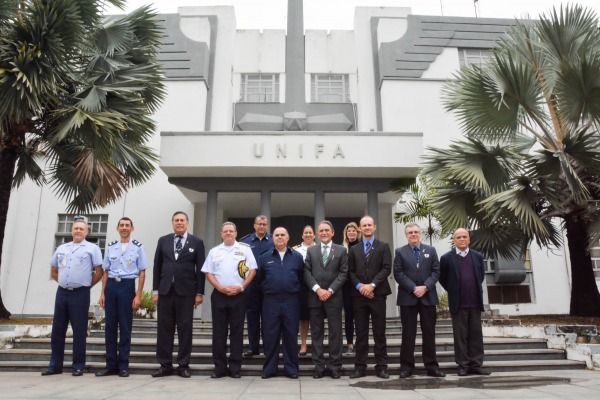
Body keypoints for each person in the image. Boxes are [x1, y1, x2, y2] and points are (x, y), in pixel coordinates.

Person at [41, 217, 103, 377]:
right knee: (57, 330)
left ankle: (78, 366)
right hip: (62, 293)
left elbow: (99, 272)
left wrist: (86, 285)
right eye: (76, 228)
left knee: (79, 330)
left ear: (86, 232)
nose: (78, 231)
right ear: (71, 230)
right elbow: (53, 270)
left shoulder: (92, 248)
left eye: (81, 229)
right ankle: (55, 365)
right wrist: (63, 282)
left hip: (80, 294)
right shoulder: (62, 248)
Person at [151, 211, 206, 378]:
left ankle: (183, 365)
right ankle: (165, 365)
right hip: (165, 291)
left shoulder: (197, 242)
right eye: (176, 220)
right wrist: (156, 291)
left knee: (185, 329)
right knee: (164, 329)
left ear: (187, 223)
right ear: (172, 223)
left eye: (182, 220)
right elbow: (157, 267)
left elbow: (200, 270)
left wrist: (199, 293)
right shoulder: (163, 240)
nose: (179, 223)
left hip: (187, 293)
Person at [202, 222, 257, 379]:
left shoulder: (245, 250)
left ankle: (235, 368)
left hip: (238, 295)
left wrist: (242, 287)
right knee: (218, 333)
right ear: (221, 234)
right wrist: (219, 287)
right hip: (219, 295)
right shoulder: (214, 251)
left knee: (237, 333)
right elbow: (209, 272)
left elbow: (253, 270)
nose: (228, 233)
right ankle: (219, 368)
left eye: (231, 231)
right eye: (225, 231)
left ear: (236, 233)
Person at [96, 217, 148, 378]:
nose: (124, 228)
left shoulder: (138, 247)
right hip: (111, 286)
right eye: (122, 225)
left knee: (125, 327)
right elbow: (105, 271)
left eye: (127, 225)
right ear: (117, 228)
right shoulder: (111, 247)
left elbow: (142, 272)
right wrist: (102, 293)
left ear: (132, 228)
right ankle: (110, 365)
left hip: (127, 286)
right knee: (110, 327)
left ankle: (123, 365)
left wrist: (138, 295)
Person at [393, 222, 445, 378]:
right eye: (410, 232)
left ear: (420, 233)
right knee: (408, 334)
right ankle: (406, 367)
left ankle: (431, 367)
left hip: (428, 297)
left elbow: (436, 272)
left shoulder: (431, 250)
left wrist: (425, 287)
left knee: (429, 333)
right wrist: (414, 288)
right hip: (408, 298)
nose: (413, 234)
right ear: (406, 235)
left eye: (416, 232)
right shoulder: (400, 252)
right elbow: (398, 273)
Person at [440, 228, 491, 377]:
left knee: (476, 335)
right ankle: (463, 365)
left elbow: (480, 276)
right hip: (458, 303)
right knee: (460, 336)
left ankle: (476, 365)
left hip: (475, 302)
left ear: (469, 239)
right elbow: (443, 279)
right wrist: (454, 289)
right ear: (454, 240)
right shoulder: (447, 258)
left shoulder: (478, 256)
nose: (462, 239)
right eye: (458, 237)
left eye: (464, 237)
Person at [347, 216, 392, 379]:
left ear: (374, 227)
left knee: (379, 332)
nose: (367, 227)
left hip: (378, 295)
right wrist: (360, 287)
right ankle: (360, 367)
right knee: (361, 333)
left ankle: (381, 367)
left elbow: (387, 268)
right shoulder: (353, 249)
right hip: (358, 296)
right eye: (364, 225)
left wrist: (371, 286)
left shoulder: (383, 246)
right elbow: (350, 271)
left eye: (369, 225)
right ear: (360, 228)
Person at [258, 227, 304, 379]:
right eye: (276, 235)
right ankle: (269, 369)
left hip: (291, 301)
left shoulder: (297, 257)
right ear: (273, 238)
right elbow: (259, 280)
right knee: (270, 336)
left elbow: (302, 278)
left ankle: (291, 369)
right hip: (270, 302)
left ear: (288, 237)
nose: (279, 237)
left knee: (291, 335)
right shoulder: (264, 257)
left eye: (282, 235)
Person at [304, 220, 348, 379]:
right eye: (321, 231)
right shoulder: (311, 250)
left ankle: (335, 366)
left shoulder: (341, 251)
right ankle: (319, 366)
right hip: (315, 297)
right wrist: (318, 289)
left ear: (332, 233)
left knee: (335, 333)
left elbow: (343, 273)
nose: (323, 233)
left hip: (334, 297)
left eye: (326, 230)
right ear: (317, 233)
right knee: (316, 333)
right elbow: (306, 272)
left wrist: (329, 290)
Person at [240, 215, 274, 357]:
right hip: (251, 284)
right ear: (254, 226)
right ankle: (253, 347)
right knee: (252, 316)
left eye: (264, 224)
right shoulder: (244, 241)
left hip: (268, 284)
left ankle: (268, 348)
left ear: (267, 226)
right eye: (259, 224)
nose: (261, 226)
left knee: (268, 318)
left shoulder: (273, 240)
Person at [293, 225, 315, 356]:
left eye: (310, 233)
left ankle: (317, 344)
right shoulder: (296, 250)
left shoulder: (319, 248)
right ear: (302, 236)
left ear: (314, 235)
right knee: (304, 318)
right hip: (302, 287)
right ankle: (303, 344)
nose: (308, 235)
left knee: (317, 317)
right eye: (305, 233)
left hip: (318, 286)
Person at [342, 221, 360, 355]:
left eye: (354, 231)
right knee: (348, 316)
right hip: (346, 287)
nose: (351, 233)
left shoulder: (362, 246)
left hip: (359, 286)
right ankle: (350, 344)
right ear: (346, 233)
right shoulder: (343, 248)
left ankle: (360, 342)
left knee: (360, 316)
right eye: (349, 231)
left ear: (357, 232)